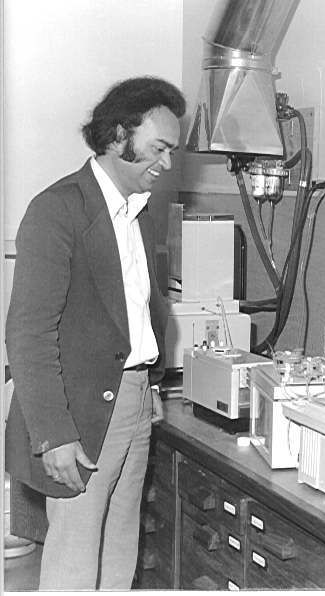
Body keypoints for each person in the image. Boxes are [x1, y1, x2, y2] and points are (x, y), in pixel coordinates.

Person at [4, 76, 185, 590]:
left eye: (171, 152)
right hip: (79, 413)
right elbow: (28, 334)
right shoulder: (57, 209)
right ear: (117, 136)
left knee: (120, 545)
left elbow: (140, 309)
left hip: (134, 399)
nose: (167, 164)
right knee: (75, 559)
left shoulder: (139, 213)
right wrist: (54, 434)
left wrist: (148, 383)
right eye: (159, 148)